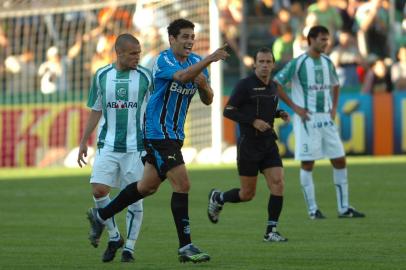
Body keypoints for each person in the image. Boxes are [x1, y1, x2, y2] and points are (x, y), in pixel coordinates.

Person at [85, 18, 229, 263]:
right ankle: (186, 247)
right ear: (171, 39)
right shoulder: (163, 60)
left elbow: (208, 99)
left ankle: (101, 215)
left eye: (192, 37)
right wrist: (209, 59)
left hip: (174, 134)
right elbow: (182, 77)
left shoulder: (196, 63)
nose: (189, 41)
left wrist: (205, 85)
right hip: (157, 132)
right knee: (182, 185)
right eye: (184, 37)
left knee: (146, 187)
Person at [274, 25, 365, 219]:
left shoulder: (327, 61)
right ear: (311, 40)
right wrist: (295, 107)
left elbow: (335, 84)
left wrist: (334, 108)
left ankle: (344, 208)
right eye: (322, 39)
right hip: (307, 119)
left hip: (327, 118)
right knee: (308, 163)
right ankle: (313, 210)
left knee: (340, 159)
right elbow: (277, 83)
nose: (326, 43)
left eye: (327, 39)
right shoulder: (298, 63)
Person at [78, 33, 152, 263]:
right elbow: (96, 109)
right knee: (98, 189)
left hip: (136, 147)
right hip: (107, 144)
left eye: (139, 52)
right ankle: (114, 236)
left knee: (135, 198)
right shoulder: (101, 75)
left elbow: (151, 112)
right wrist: (83, 141)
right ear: (118, 53)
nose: (137, 57)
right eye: (133, 53)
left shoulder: (145, 77)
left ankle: (129, 248)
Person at [207, 47, 290, 242]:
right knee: (247, 194)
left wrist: (279, 114)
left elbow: (267, 110)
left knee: (278, 183)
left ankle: (271, 231)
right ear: (254, 64)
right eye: (261, 61)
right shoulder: (244, 85)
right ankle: (218, 198)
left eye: (268, 62)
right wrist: (253, 121)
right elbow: (228, 110)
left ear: (273, 65)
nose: (264, 65)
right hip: (249, 146)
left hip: (268, 143)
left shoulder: (273, 87)